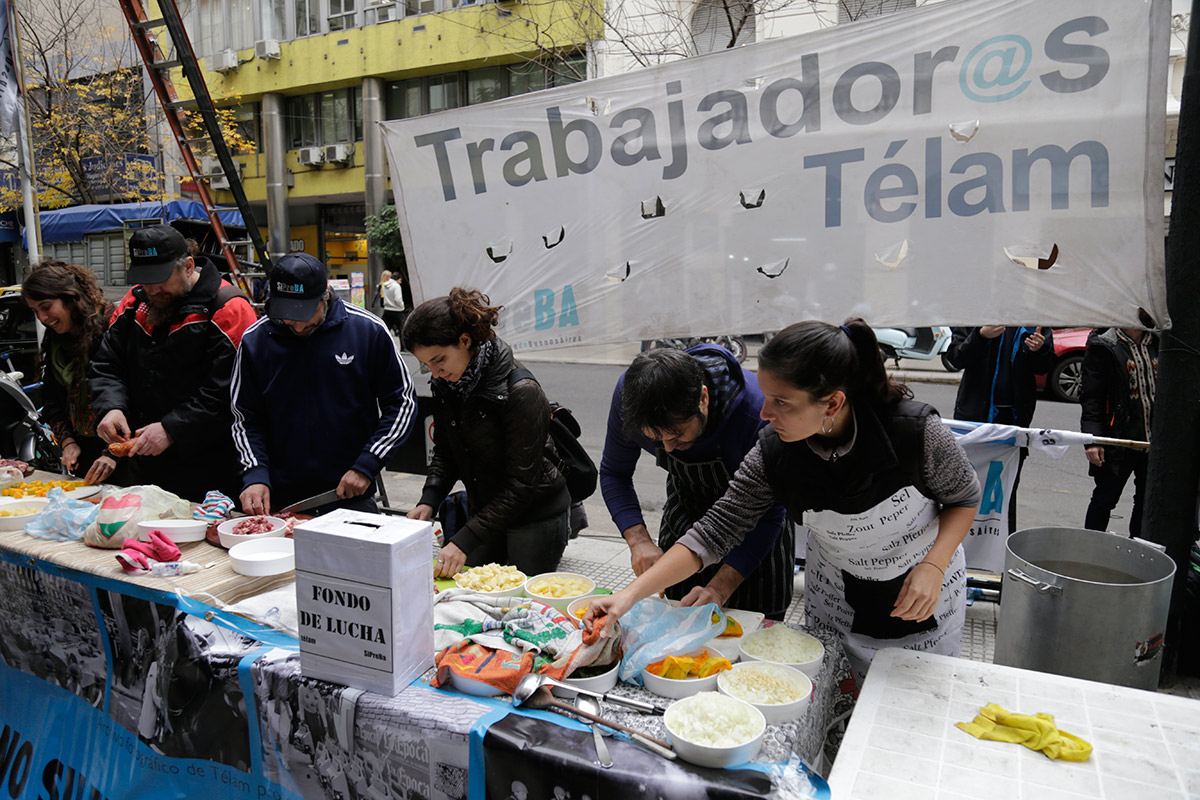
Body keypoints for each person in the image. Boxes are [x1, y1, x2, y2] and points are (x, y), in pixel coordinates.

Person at [585, 320, 981, 683]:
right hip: (838, 593)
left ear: (833, 403)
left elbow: (964, 497)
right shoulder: (774, 450)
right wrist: (625, 598)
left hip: (922, 587)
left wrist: (934, 563)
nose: (763, 411)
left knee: (913, 699)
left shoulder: (915, 432)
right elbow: (715, 531)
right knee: (833, 694)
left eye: (780, 401)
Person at [600, 345, 794, 619]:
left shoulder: (757, 415)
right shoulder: (632, 395)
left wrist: (720, 587)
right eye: (656, 439)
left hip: (758, 530)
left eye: (677, 435)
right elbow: (614, 472)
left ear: (703, 398)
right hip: (687, 515)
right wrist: (638, 540)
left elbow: (765, 516)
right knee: (675, 626)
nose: (667, 449)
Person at [231, 253, 417, 515]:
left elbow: (402, 403)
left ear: (325, 295)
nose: (295, 324)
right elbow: (244, 418)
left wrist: (368, 463)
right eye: (286, 313)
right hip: (279, 497)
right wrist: (255, 473)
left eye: (303, 314)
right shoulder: (256, 340)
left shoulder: (366, 330)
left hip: (350, 493)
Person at [403, 288, 570, 578]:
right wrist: (428, 500)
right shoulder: (447, 384)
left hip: (534, 514)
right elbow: (445, 449)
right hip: (486, 510)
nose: (434, 372)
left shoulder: (521, 391)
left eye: (439, 359)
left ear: (465, 341)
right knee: (472, 592)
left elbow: (521, 485)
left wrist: (464, 540)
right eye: (426, 364)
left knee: (521, 600)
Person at [90, 225, 257, 501]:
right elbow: (107, 364)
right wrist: (111, 407)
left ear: (188, 266)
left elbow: (229, 392)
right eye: (145, 279)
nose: (153, 289)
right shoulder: (133, 303)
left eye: (161, 278)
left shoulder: (229, 308)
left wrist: (172, 428)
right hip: (142, 461)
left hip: (209, 465)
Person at [944, 325, 1054, 532]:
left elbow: (1043, 366)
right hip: (975, 418)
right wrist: (980, 336)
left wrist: (1040, 350)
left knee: (1006, 487)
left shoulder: (1032, 319)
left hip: (1013, 421)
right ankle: (957, 540)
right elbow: (955, 358)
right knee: (965, 485)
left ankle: (1000, 541)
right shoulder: (977, 315)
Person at [21, 261, 117, 484]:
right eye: (35, 311)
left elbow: (138, 396)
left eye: (46, 307)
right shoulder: (56, 339)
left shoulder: (113, 325)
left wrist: (113, 452)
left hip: (127, 453)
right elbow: (52, 398)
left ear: (70, 298)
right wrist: (68, 442)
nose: (43, 318)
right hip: (86, 455)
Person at [1080, 325, 1157, 537]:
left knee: (1146, 503)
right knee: (1105, 498)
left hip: (1154, 441)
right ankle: (1090, 548)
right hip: (1119, 439)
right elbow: (1091, 397)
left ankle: (1138, 553)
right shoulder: (1105, 344)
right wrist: (1093, 439)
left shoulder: (1158, 342)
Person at [380, 270, 405, 336]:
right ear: (398, 279)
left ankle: (382, 345)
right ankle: (403, 346)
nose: (400, 282)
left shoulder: (384, 286)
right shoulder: (396, 286)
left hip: (387, 310)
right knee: (402, 330)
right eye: (400, 280)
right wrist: (402, 306)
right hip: (397, 310)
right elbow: (398, 299)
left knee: (385, 330)